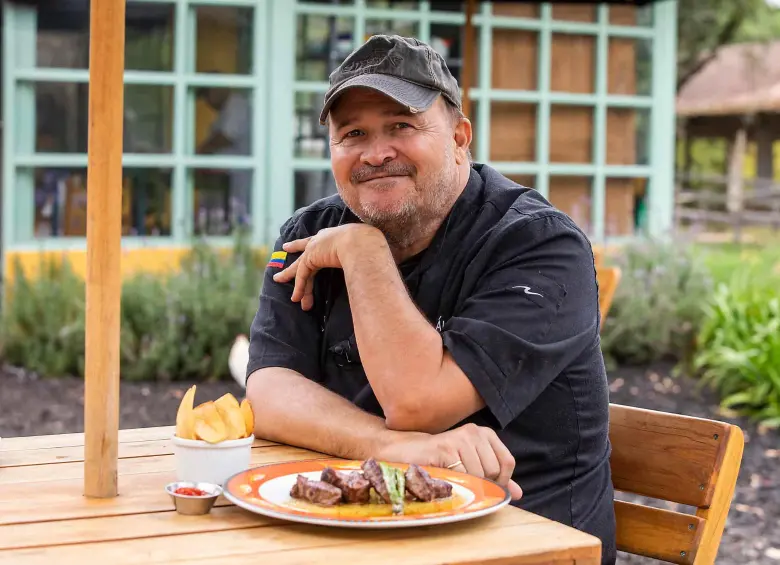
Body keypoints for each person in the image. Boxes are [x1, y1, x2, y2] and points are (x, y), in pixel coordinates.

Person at [244, 35, 616, 565]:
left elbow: (417, 400)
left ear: (461, 137)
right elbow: (268, 390)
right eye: (353, 134)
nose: (376, 153)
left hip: (524, 544)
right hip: (373, 535)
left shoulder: (540, 245)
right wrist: (387, 445)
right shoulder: (310, 231)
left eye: (401, 126)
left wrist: (362, 249)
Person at [196, 84, 252, 230]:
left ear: (216, 90)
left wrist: (201, 151)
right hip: (230, 171)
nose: (208, 103)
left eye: (207, 97)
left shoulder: (237, 105)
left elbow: (226, 136)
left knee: (240, 209)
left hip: (241, 169)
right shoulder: (226, 109)